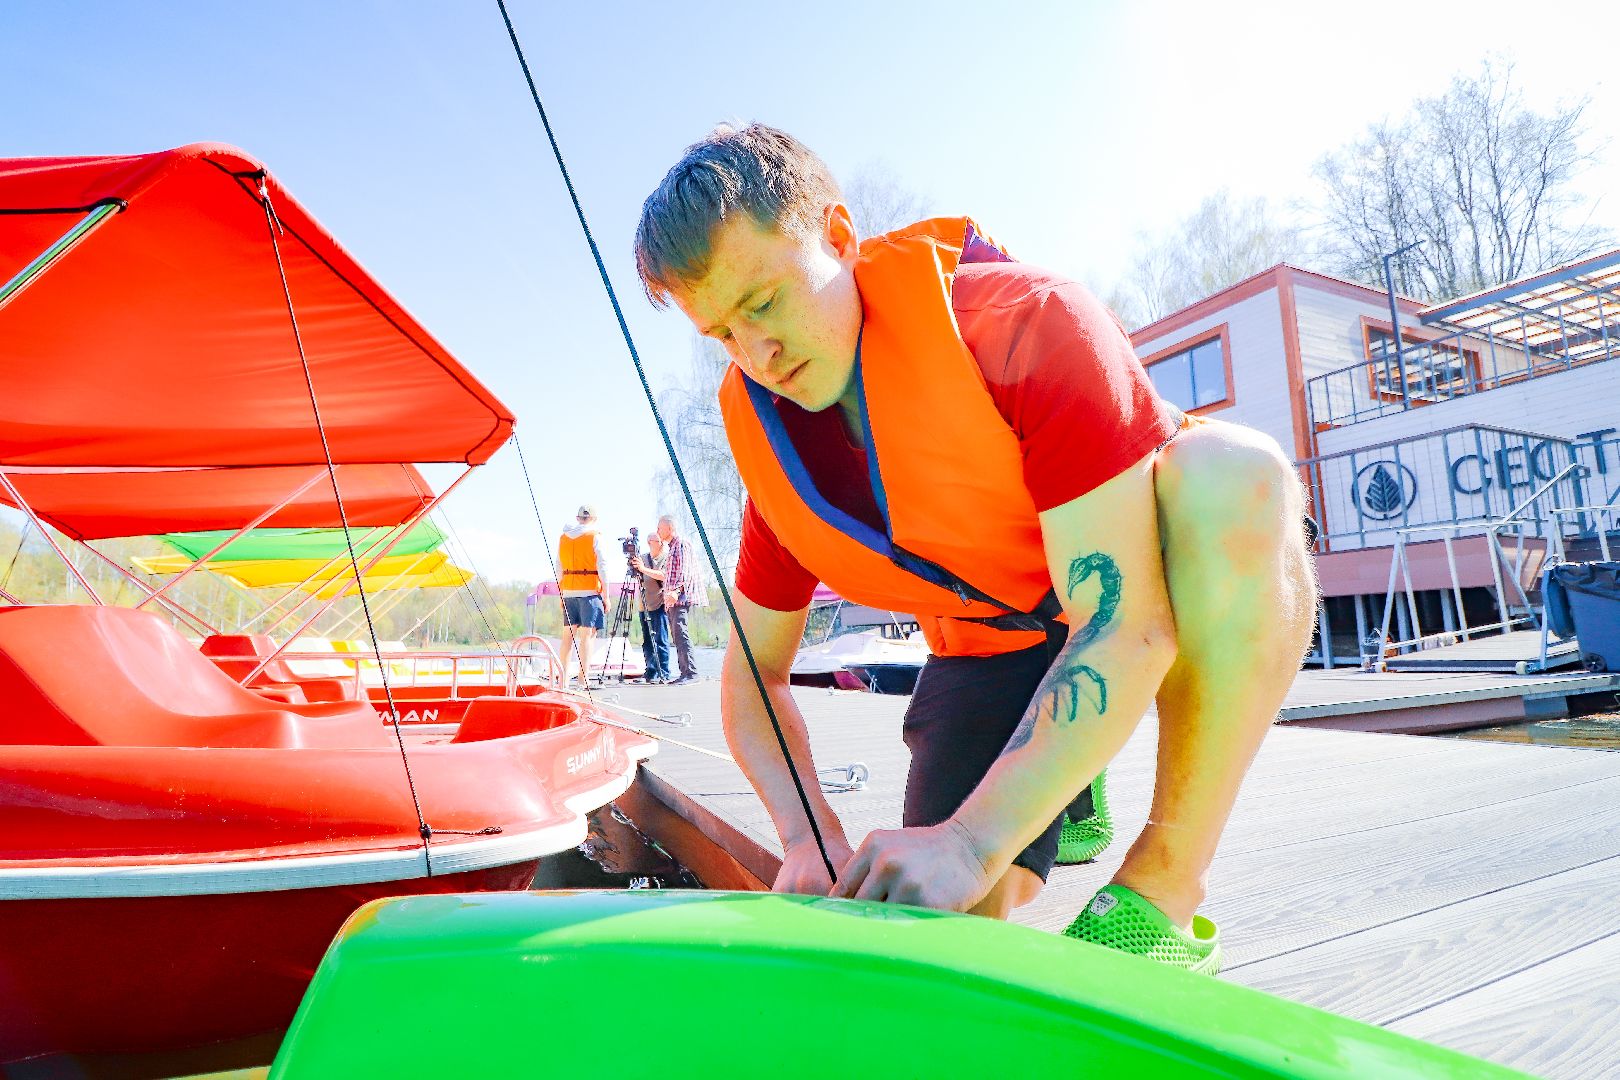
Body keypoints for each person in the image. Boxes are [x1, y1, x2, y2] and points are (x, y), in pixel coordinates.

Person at [633, 124, 1317, 973]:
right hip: (989, 642)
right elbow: (753, 677)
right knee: (951, 921)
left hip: (1129, 600)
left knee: (1238, 475)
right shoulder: (778, 457)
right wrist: (807, 834)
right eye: (723, 335)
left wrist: (971, 839)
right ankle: (1074, 790)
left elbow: (1128, 623)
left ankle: (1163, 893)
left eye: (765, 302)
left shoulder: (1032, 320)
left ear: (839, 236)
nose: (757, 355)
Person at [556, 504, 608, 688]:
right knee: (587, 636)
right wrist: (606, 596)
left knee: (567, 637)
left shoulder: (563, 538)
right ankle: (582, 679)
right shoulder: (594, 536)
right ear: (594, 519)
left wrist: (561, 594)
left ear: (578, 518)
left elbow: (559, 567)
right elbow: (602, 567)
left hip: (568, 592)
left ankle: (563, 680)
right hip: (589, 592)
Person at [657, 514, 708, 684]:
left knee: (681, 634)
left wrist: (676, 592)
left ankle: (691, 674)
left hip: (680, 598)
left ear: (670, 528)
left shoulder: (681, 544)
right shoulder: (672, 547)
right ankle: (684, 673)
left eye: (660, 528)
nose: (658, 531)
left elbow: (685, 572)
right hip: (673, 599)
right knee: (677, 635)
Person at [631, 533, 673, 683]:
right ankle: (651, 672)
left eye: (662, 542)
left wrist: (643, 569)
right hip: (644, 605)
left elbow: (664, 576)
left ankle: (664, 673)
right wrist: (634, 567)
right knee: (647, 641)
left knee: (660, 640)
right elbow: (636, 576)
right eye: (659, 541)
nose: (662, 544)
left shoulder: (666, 558)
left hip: (659, 604)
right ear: (650, 542)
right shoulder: (642, 558)